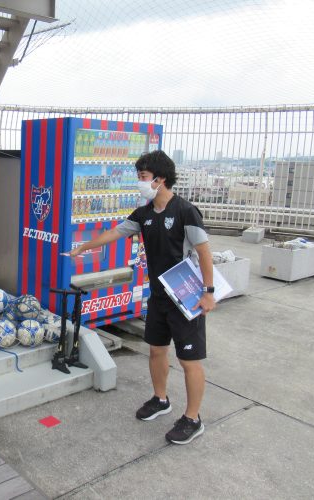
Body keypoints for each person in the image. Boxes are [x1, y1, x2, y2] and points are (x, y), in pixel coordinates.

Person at [70, 150, 215, 445]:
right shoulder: (144, 214)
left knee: (189, 361)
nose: (140, 182)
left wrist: (208, 292)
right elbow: (115, 233)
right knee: (157, 351)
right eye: (139, 177)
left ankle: (193, 418)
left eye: (143, 177)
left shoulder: (186, 211)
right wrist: (83, 247)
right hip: (159, 297)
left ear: (160, 179)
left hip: (186, 298)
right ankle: (160, 399)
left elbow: (204, 252)